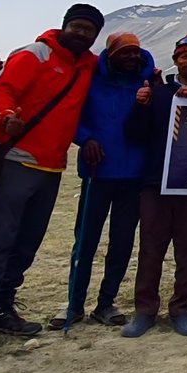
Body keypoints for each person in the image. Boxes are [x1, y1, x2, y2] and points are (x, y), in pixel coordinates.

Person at [0, 4, 101, 363]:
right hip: (17, 161)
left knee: (26, 245)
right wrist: (5, 117)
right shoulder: (35, 54)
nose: (82, 34)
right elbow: (1, 90)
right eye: (77, 27)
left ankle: (2, 307)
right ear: (64, 25)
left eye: (89, 30)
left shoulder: (88, 65)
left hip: (51, 168)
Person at [122, 34, 187, 337]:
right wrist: (141, 106)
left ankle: (182, 309)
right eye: (185, 57)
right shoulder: (156, 92)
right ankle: (144, 310)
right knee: (151, 248)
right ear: (175, 59)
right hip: (157, 182)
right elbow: (135, 135)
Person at [49, 31, 156, 330]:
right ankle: (74, 303)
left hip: (134, 174)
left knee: (122, 242)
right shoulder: (91, 81)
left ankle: (106, 302)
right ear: (110, 55)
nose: (132, 57)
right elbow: (73, 116)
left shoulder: (149, 83)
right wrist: (85, 139)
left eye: (135, 52)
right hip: (98, 172)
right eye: (124, 52)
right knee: (85, 241)